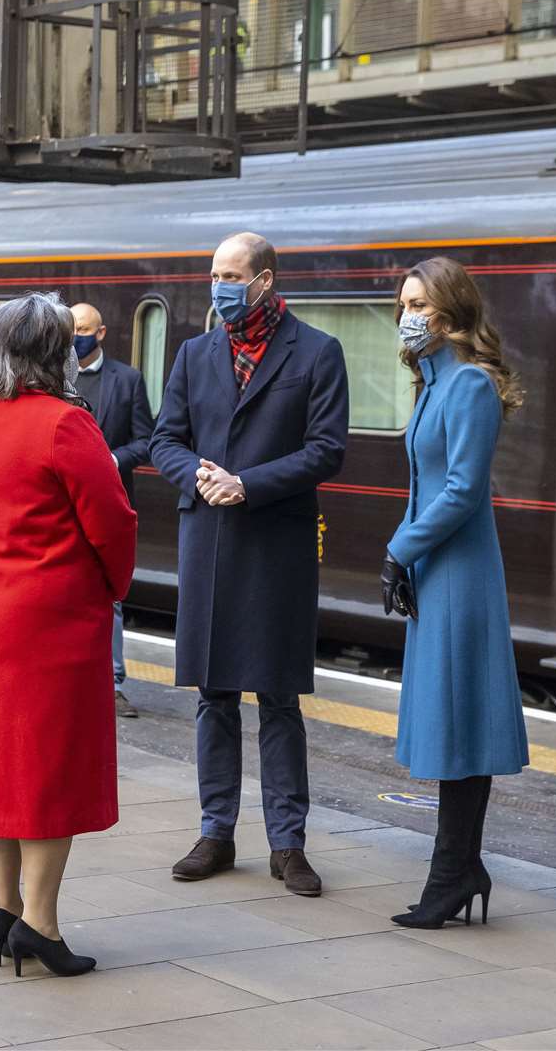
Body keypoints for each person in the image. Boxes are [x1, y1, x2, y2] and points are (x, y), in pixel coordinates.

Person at [149, 232, 348, 897]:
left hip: (275, 545)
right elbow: (164, 439)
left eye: (232, 275)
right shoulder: (195, 352)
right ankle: (217, 832)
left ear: (265, 280)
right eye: (214, 274)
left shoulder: (317, 351)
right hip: (207, 537)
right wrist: (199, 476)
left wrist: (249, 483)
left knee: (279, 696)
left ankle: (288, 844)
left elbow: (327, 449)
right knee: (214, 695)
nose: (219, 286)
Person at [0, 293, 137, 977]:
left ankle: (2, 908)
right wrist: (110, 590)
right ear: (54, 354)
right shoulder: (65, 425)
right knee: (47, 776)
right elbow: (113, 523)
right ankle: (41, 924)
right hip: (50, 628)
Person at [380, 256, 529, 929]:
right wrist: (408, 557)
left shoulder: (468, 386)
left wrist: (399, 549)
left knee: (461, 717)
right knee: (451, 717)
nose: (407, 318)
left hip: (460, 573)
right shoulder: (433, 386)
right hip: (436, 568)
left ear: (448, 313)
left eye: (418, 305)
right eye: (404, 305)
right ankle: (458, 869)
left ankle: (453, 872)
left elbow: (464, 490)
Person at [69, 301, 154, 719]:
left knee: (112, 597)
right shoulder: (51, 378)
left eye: (83, 328)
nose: (75, 337)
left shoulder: (128, 380)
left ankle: (112, 682)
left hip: (111, 502)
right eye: (69, 329)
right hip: (63, 506)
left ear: (101, 333)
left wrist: (112, 461)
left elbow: (147, 440)